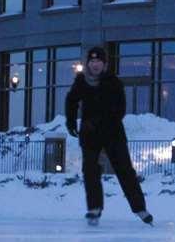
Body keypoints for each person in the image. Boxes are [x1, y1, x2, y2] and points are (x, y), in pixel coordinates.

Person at [65, 47, 154, 226]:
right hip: (90, 134)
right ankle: (94, 208)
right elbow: (71, 100)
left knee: (125, 171)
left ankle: (140, 208)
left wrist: (103, 122)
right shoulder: (81, 81)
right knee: (90, 171)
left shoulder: (113, 82)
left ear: (104, 64)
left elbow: (120, 108)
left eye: (99, 61)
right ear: (88, 63)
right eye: (92, 61)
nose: (95, 64)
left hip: (112, 133)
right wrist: (71, 121)